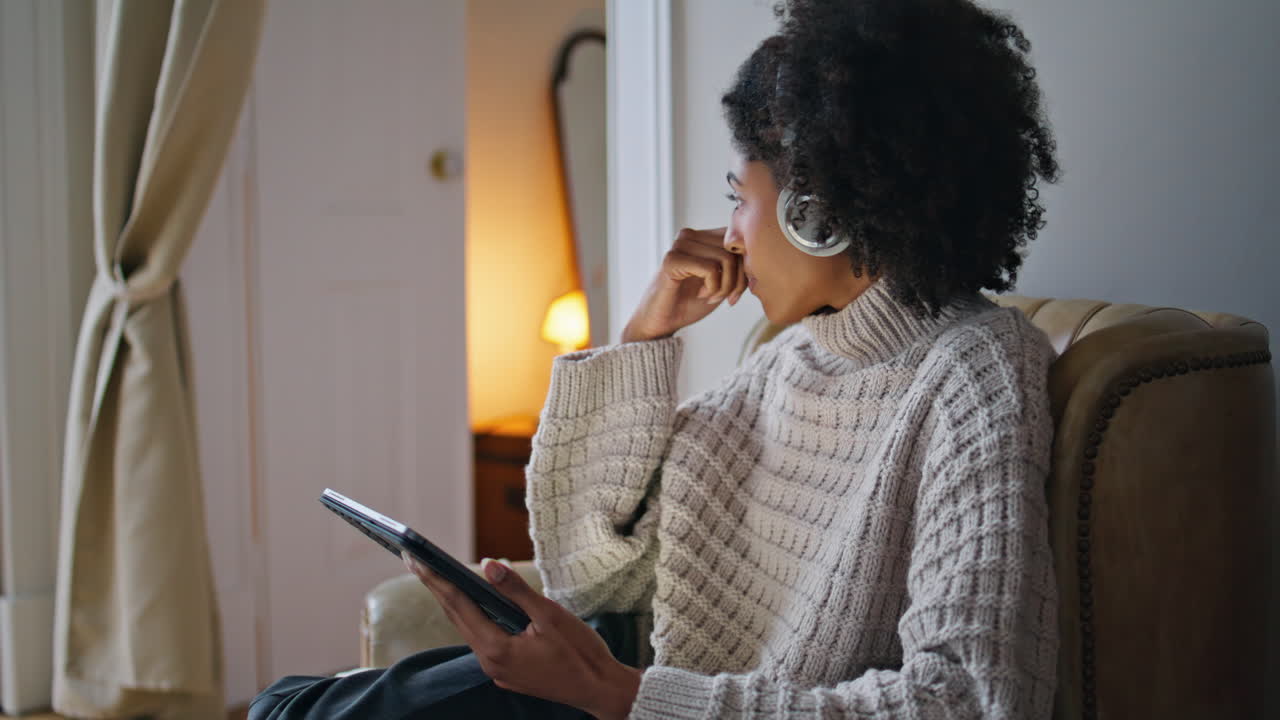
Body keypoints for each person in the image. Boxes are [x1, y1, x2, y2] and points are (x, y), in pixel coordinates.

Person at [250, 0, 1061, 717]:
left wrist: (620, 695)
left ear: (822, 215)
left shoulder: (975, 371)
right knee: (284, 705)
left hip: (639, 705)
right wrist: (642, 338)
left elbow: (972, 698)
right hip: (628, 696)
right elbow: (592, 573)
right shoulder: (785, 364)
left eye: (740, 198)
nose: (730, 232)